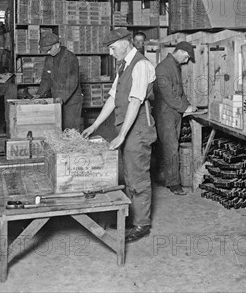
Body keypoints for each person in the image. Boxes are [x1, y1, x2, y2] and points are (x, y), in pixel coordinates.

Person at [82, 28, 157, 243]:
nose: (111, 53)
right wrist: (95, 125)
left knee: (138, 177)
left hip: (138, 129)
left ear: (125, 43)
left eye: (113, 48)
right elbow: (114, 97)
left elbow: (135, 101)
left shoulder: (141, 65)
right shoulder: (123, 66)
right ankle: (132, 217)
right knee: (128, 174)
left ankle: (142, 224)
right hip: (126, 126)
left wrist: (122, 135)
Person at [153, 41, 197, 196]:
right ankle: (174, 183)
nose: (186, 60)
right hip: (165, 114)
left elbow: (179, 91)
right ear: (179, 51)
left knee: (170, 146)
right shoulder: (163, 68)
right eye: (186, 57)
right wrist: (185, 108)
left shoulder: (174, 66)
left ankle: (163, 177)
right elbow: (169, 96)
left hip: (174, 113)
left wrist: (189, 106)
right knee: (171, 147)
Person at [35, 32, 83, 130]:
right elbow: (46, 78)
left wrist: (61, 97)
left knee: (70, 129)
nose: (47, 52)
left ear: (57, 45)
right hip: (56, 98)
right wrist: (39, 94)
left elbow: (72, 81)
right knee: (57, 128)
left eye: (49, 49)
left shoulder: (70, 58)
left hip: (71, 100)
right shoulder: (49, 59)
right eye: (45, 51)